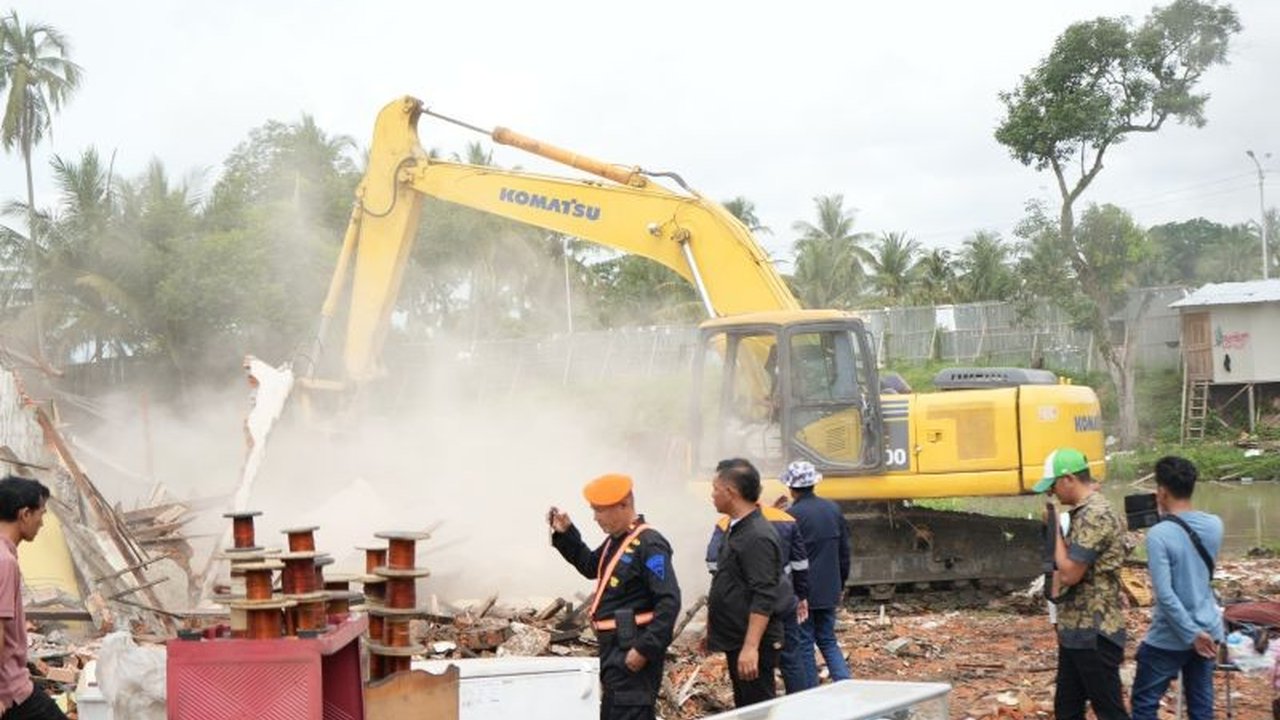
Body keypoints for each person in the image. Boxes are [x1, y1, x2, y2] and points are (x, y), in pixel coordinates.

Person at [548, 473, 681, 720]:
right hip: (614, 648)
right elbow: (591, 565)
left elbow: (669, 601)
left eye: (600, 510)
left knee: (629, 710)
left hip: (633, 648)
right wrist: (566, 533)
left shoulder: (649, 544)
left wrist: (645, 648)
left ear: (624, 505)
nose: (595, 517)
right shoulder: (616, 541)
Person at [1036, 448, 1130, 720]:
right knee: (1067, 708)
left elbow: (1069, 574)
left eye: (1053, 485)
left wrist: (1054, 529)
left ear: (1068, 479)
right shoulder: (1082, 513)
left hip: (1094, 631)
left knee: (1110, 711)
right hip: (1076, 630)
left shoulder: (1095, 515)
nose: (1051, 493)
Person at [1130, 456, 1223, 720]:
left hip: (1170, 635)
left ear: (1161, 491)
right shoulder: (1215, 524)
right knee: (1201, 708)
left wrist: (1191, 634)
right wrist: (1198, 634)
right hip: (1208, 629)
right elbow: (1194, 569)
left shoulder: (1159, 534)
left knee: (1145, 703)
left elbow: (1165, 594)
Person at [706, 501, 811, 693]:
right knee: (791, 658)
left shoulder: (726, 524)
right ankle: (800, 704)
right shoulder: (785, 519)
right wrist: (801, 594)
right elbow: (800, 564)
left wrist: (731, 586)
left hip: (750, 608)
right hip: (783, 600)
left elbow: (713, 562)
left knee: (754, 674)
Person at [706, 458, 785, 707]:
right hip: (736, 638)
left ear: (731, 492)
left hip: (751, 643)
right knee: (745, 708)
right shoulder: (737, 528)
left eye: (716, 489)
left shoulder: (756, 536)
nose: (712, 495)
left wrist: (751, 647)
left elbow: (764, 594)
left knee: (757, 710)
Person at [0, 475, 68, 720]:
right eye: (41, 513)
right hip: (11, 692)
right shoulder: (5, 561)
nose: (42, 522)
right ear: (25, 514)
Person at [780, 460, 852, 684]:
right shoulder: (833, 509)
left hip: (804, 592)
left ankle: (811, 691)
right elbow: (844, 552)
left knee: (804, 642)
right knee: (828, 640)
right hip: (830, 588)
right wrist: (841, 584)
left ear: (791, 488)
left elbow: (786, 557)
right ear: (814, 484)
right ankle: (845, 684)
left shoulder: (791, 516)